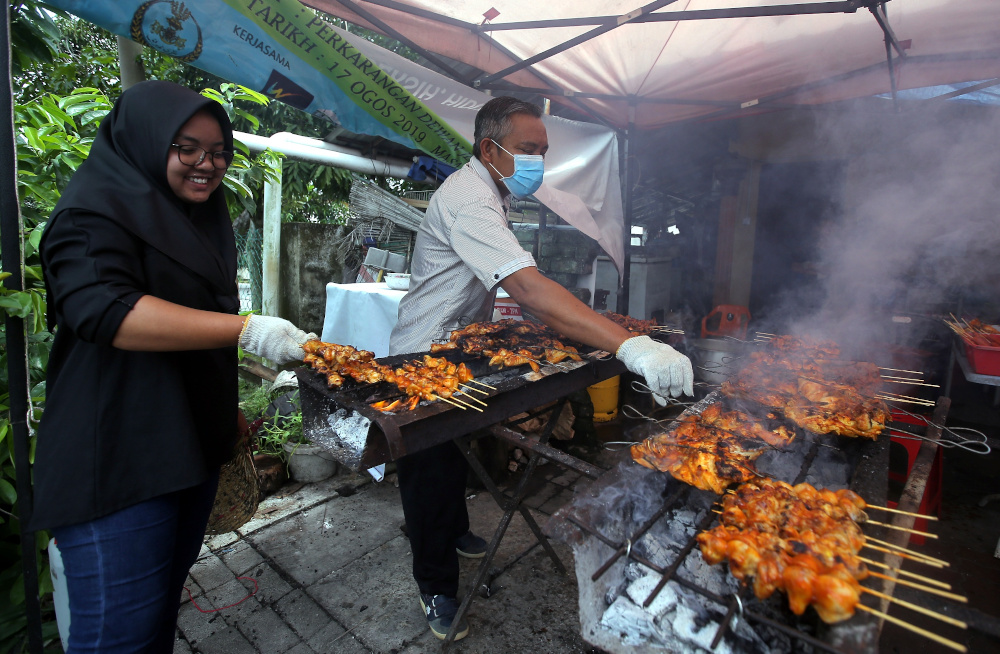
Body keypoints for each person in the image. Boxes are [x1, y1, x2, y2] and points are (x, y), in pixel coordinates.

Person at [389, 96, 693, 640]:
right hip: (424, 353)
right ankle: (435, 584)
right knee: (429, 462)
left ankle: (455, 529)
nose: (539, 162)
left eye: (543, 152)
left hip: (460, 347)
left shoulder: (491, 192)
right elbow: (526, 287)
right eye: (528, 149)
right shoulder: (469, 198)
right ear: (490, 148)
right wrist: (631, 347)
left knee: (457, 449)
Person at [28, 80, 313, 653]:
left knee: (158, 618)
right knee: (119, 637)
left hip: (187, 447)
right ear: (145, 141)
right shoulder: (90, 215)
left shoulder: (196, 219)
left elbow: (196, 327)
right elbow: (103, 310)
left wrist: (223, 411)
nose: (207, 164)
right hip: (119, 459)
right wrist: (249, 329)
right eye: (188, 149)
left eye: (218, 152)